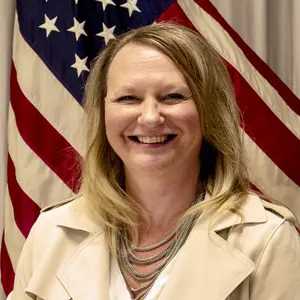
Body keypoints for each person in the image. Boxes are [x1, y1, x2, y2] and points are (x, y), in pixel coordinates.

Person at [8, 23, 300, 300]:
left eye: (173, 96)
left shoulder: (267, 239)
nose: (149, 117)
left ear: (210, 111)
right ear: (103, 113)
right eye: (128, 98)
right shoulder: (52, 231)